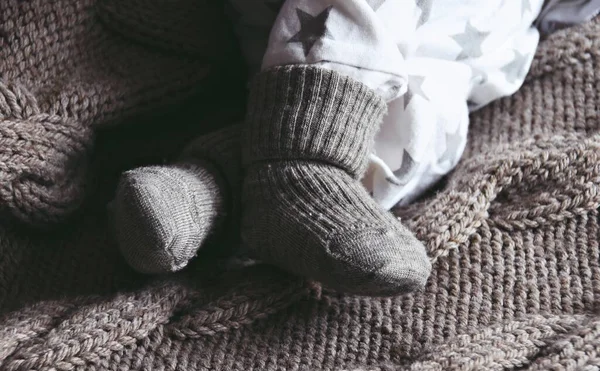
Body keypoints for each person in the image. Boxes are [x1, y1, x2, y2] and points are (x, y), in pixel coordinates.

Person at [110, 0, 587, 295]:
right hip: (311, 21)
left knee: (427, 125)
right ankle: (302, 162)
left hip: (471, 41)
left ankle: (209, 192)